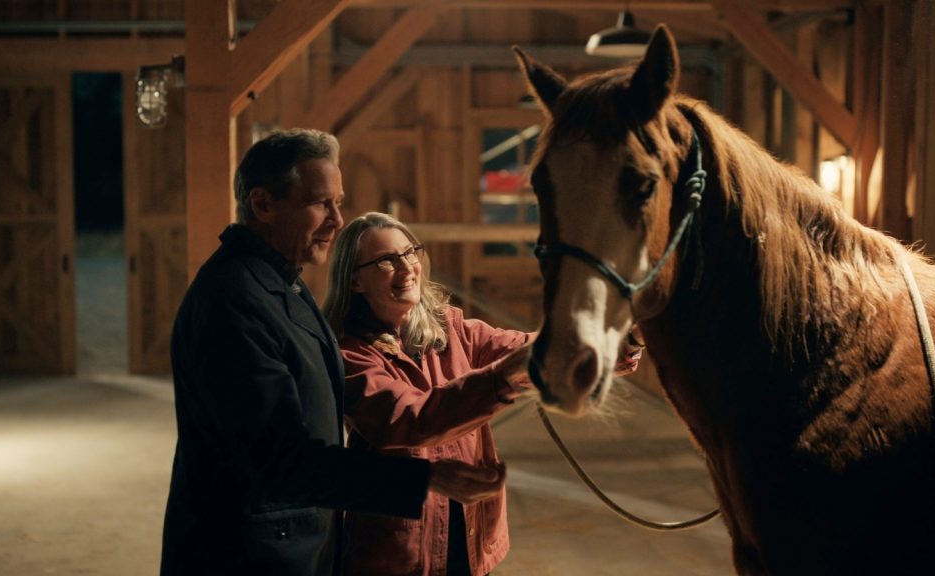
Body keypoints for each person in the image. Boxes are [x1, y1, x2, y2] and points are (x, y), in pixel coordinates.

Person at [159, 130, 505, 576]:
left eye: (338, 202)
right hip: (248, 555)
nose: (338, 220)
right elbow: (280, 460)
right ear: (263, 205)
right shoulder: (235, 302)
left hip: (290, 545)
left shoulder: (281, 281)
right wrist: (425, 478)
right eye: (321, 203)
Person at [322, 212, 644, 575]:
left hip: (473, 542)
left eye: (410, 252)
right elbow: (411, 419)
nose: (407, 267)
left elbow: (534, 347)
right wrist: (502, 376)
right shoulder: (350, 355)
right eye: (386, 261)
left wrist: (621, 336)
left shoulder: (454, 330)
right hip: (398, 554)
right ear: (354, 280)